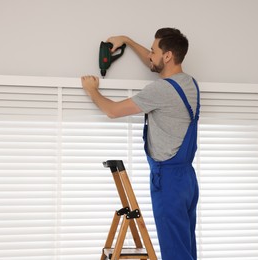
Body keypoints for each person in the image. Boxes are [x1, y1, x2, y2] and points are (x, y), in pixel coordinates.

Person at [81, 28, 200, 260]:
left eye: (154, 51)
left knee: (175, 254)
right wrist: (126, 40)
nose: (149, 55)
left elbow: (113, 111)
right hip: (187, 180)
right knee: (185, 249)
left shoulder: (161, 90)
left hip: (168, 182)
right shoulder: (189, 83)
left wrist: (92, 90)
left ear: (167, 56)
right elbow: (154, 63)